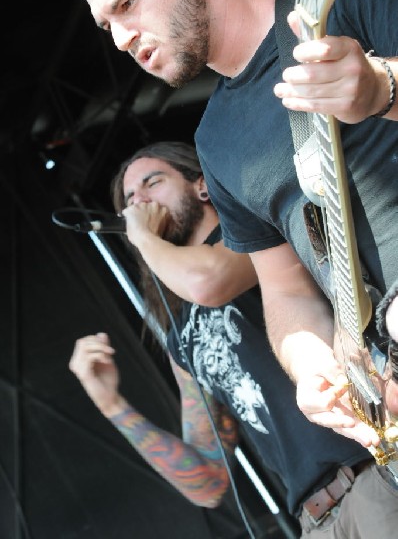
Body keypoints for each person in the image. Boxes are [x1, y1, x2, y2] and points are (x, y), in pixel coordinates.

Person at [79, 0, 398, 446]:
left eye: (127, 3)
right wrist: (313, 366)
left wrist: (386, 88)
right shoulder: (215, 142)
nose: (119, 38)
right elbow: (286, 291)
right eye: (107, 25)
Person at [70, 141, 394, 537]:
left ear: (202, 186)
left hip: (374, 470)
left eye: (152, 183)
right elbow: (207, 481)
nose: (139, 204)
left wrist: (142, 237)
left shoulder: (248, 240)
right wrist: (110, 402)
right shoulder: (180, 338)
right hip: (318, 520)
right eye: (130, 199)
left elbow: (207, 280)